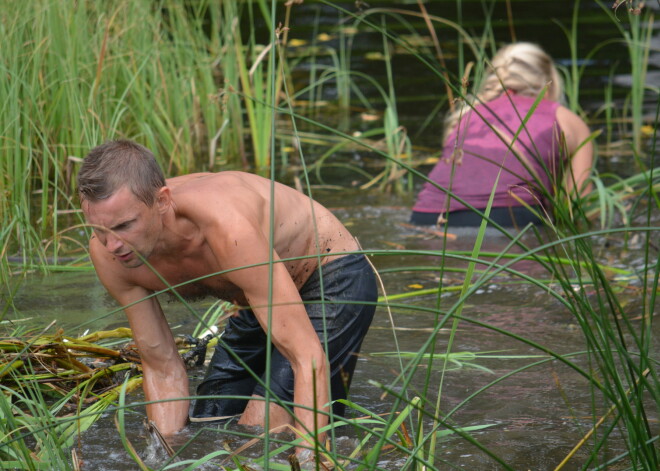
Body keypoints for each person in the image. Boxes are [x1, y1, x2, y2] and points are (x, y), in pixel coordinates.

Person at [77, 139, 378, 450]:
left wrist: (310, 457)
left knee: (257, 439)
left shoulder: (225, 226)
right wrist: (161, 457)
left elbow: (307, 356)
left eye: (125, 225)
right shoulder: (109, 256)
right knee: (211, 425)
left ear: (162, 201)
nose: (113, 245)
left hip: (330, 276)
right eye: (100, 230)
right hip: (256, 296)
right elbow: (161, 365)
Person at [411, 42, 594, 227]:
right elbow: (579, 209)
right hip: (507, 219)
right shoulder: (566, 119)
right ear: (549, 84)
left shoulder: (466, 116)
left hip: (426, 218)